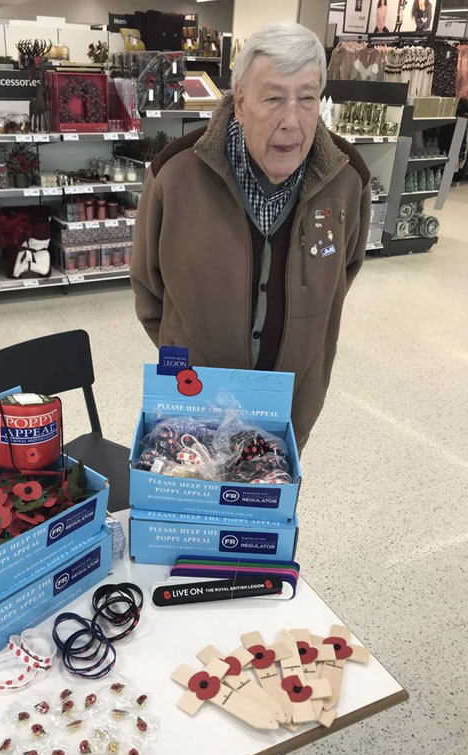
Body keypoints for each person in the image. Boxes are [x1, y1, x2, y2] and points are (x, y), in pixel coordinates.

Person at [131, 23, 371, 451]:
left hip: (289, 410)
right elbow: (149, 291)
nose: (292, 120)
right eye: (274, 98)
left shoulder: (347, 180)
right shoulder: (175, 175)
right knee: (192, 505)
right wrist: (188, 358)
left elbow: (341, 277)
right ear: (240, 101)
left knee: (265, 510)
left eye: (308, 98)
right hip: (194, 404)